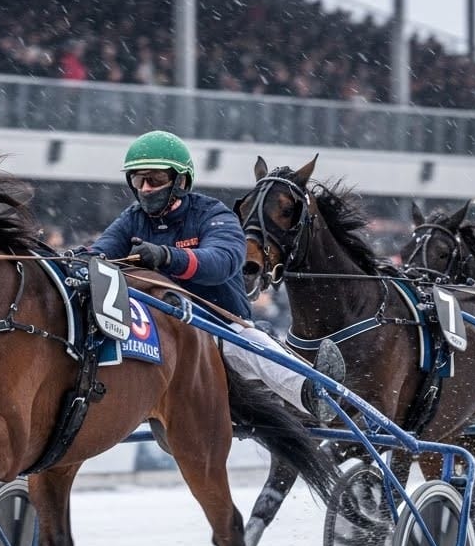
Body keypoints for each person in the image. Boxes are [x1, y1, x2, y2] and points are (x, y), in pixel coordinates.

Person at [89, 130, 345, 421]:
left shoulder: (213, 214)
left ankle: (313, 392)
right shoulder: (131, 219)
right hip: (163, 337)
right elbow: (98, 255)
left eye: (155, 180)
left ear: (181, 181)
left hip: (221, 330)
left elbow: (221, 262)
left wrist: (168, 256)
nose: (146, 188)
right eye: (138, 180)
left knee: (254, 345)